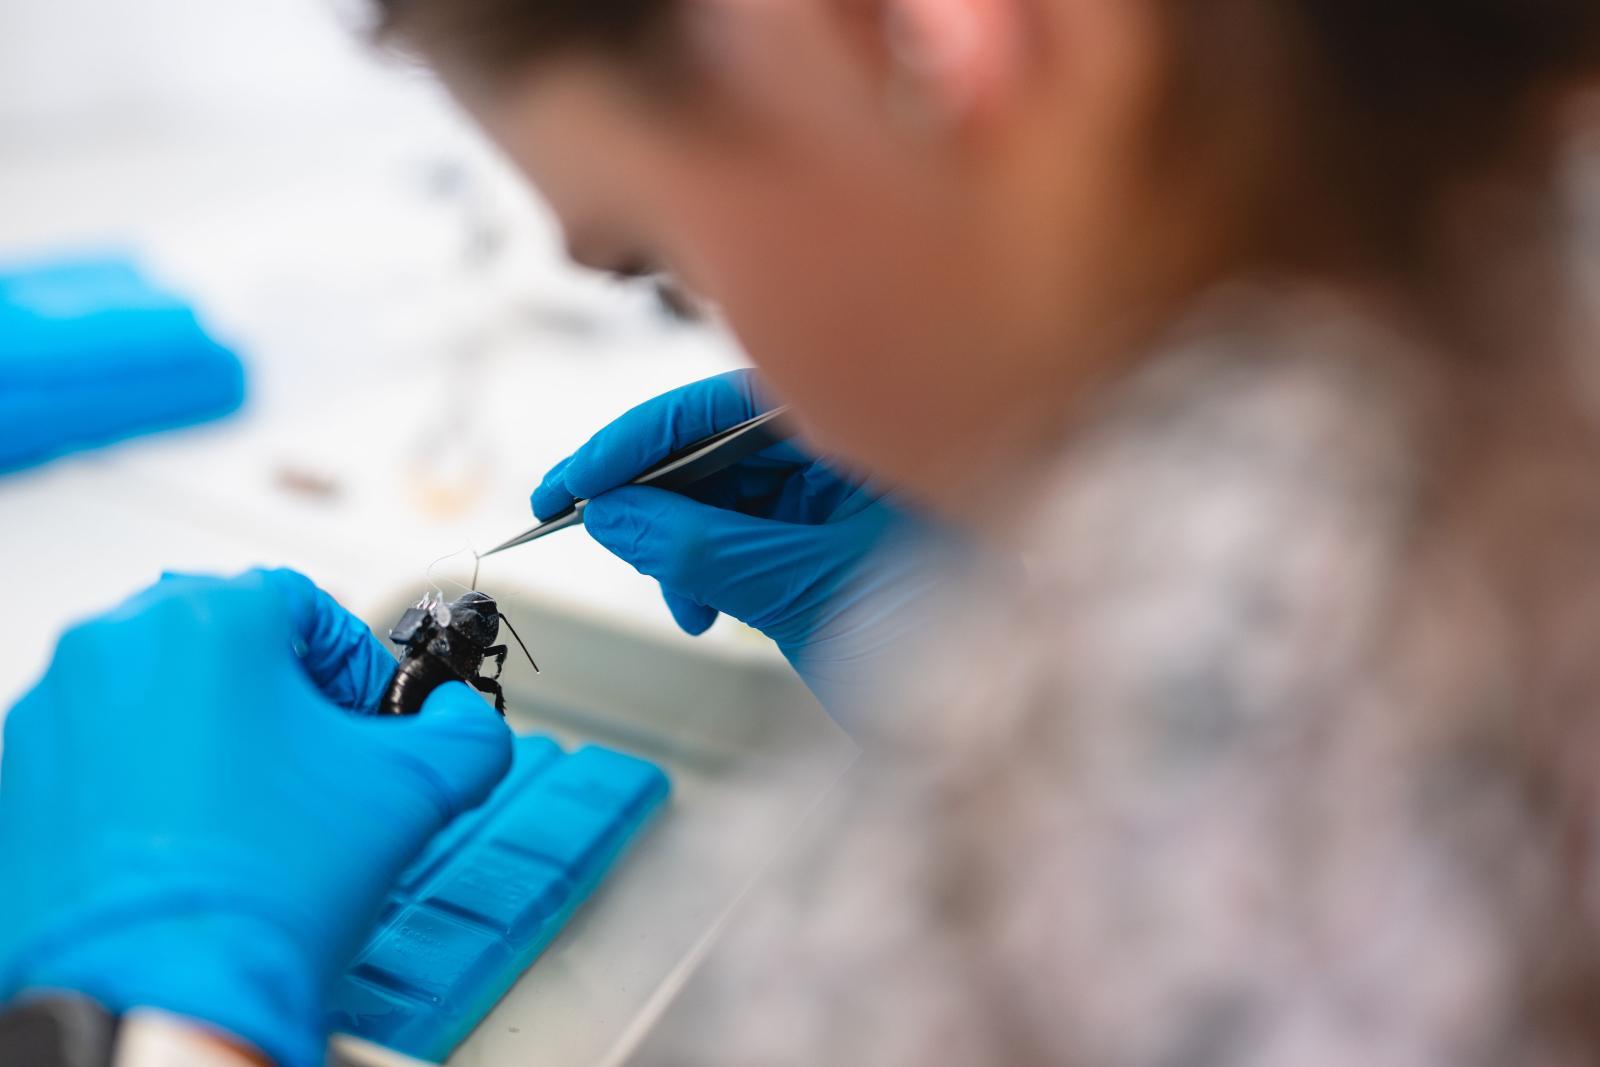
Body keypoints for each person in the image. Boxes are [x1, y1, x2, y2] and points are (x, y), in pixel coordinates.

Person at [5, 1, 1600, 1064]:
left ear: (924, 34)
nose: (751, 355)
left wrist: (169, 1005)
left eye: (660, 260)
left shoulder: (1154, 748)